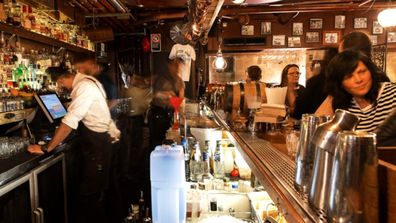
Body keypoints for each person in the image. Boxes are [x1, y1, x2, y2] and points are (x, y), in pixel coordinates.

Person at [28, 65, 120, 223]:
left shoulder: (83, 87)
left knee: (89, 195)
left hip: (97, 145)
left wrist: (46, 148)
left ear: (64, 78)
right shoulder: (88, 82)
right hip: (100, 141)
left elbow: (70, 121)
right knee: (97, 192)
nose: (60, 87)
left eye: (59, 83)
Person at [315, 50, 396, 132]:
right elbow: (317, 128)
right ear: (340, 83)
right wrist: (334, 94)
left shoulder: (392, 93)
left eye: (362, 72)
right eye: (349, 77)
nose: (358, 79)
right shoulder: (344, 104)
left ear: (371, 71)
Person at [149, 58, 185, 150]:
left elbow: (180, 100)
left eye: (179, 66)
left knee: (170, 142)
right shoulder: (161, 79)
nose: (177, 68)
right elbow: (153, 95)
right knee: (157, 143)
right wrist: (166, 96)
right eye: (175, 65)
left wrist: (182, 115)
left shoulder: (180, 82)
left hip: (171, 115)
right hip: (158, 115)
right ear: (169, 66)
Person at [292, 48, 338, 119]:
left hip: (312, 124)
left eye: (297, 73)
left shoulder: (313, 82)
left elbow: (298, 112)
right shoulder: (339, 84)